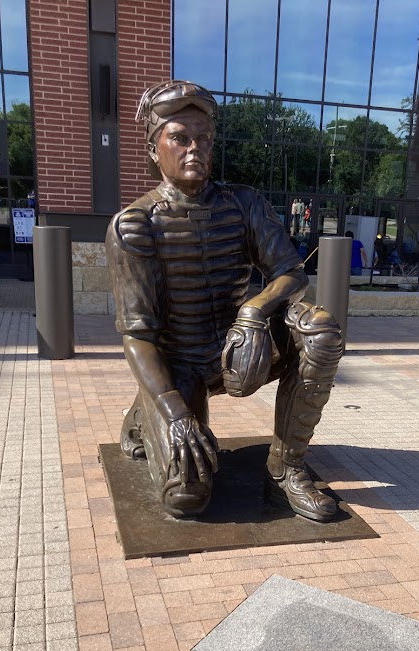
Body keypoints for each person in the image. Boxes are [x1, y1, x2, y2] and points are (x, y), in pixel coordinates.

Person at [106, 80, 343, 522]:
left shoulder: (244, 204)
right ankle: (147, 414)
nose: (195, 148)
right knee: (187, 498)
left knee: (318, 331)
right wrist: (176, 414)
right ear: (154, 149)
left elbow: (292, 272)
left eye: (204, 138)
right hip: (179, 364)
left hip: (240, 349)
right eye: (180, 137)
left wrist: (254, 311)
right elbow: (138, 336)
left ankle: (285, 469)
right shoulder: (135, 224)